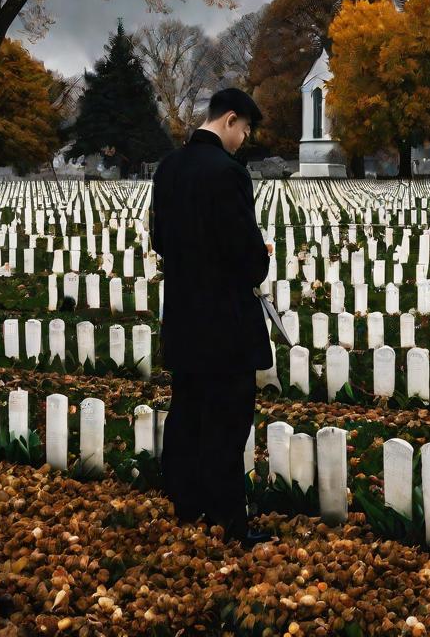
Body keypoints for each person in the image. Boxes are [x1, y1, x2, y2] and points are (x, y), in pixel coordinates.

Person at [151, 87, 278, 549]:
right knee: (228, 420)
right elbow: (245, 252)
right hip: (225, 319)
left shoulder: (168, 168)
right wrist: (259, 260)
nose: (244, 139)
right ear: (229, 120)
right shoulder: (227, 173)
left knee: (187, 411)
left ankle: (187, 504)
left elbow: (160, 239)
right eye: (244, 130)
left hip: (184, 312)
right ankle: (229, 521)